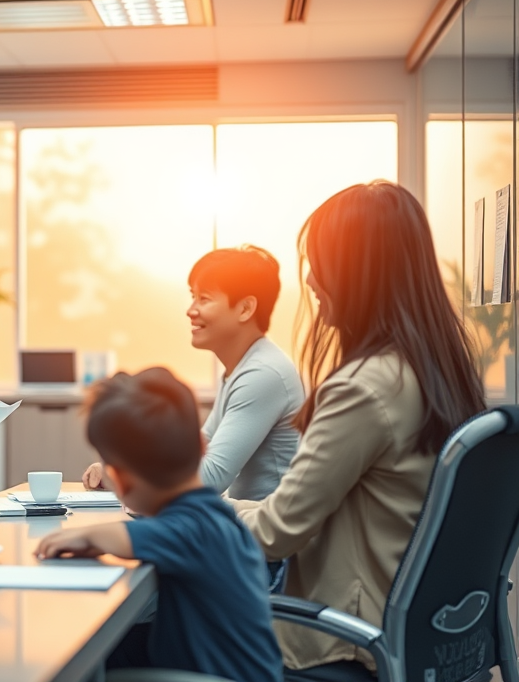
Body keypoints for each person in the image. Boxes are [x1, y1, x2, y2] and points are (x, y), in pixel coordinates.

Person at [230, 182, 485, 679]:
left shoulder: (363, 389)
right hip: (422, 639)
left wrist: (181, 514)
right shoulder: (436, 371)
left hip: (346, 644)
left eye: (321, 262)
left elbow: (275, 534)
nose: (310, 278)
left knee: (134, 643)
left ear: (357, 273)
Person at [36, 367, 283, 682]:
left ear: (121, 482)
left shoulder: (193, 528)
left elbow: (132, 536)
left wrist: (86, 535)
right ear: (201, 446)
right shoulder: (217, 518)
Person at [84, 245, 302, 502]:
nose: (191, 310)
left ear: (245, 309)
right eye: (193, 296)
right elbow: (197, 452)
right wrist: (123, 470)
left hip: (265, 535)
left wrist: (125, 476)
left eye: (204, 299)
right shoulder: (242, 367)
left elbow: (210, 478)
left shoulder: (264, 374)